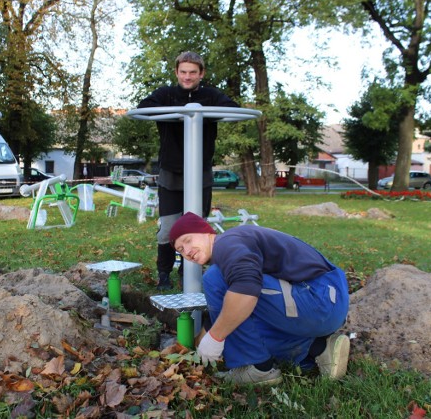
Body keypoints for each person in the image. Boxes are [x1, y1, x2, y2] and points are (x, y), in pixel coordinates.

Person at [169, 212, 351, 384]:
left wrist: (216, 337)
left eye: (188, 240)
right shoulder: (233, 247)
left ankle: (259, 368)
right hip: (326, 302)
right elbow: (228, 312)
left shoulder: (226, 242)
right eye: (180, 250)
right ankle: (318, 348)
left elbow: (245, 287)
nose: (187, 251)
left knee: (215, 278)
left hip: (319, 298)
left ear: (206, 231)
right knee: (244, 329)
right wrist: (198, 345)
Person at [137, 51, 239, 290]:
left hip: (200, 171)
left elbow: (232, 107)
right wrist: (176, 114)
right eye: (183, 72)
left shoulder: (209, 95)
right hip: (172, 171)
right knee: (168, 229)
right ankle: (164, 274)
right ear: (176, 72)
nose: (187, 77)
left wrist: (204, 112)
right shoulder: (166, 94)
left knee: (196, 228)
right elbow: (144, 106)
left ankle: (188, 273)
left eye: (193, 72)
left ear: (201, 73)